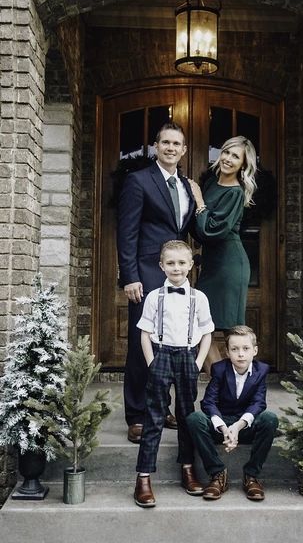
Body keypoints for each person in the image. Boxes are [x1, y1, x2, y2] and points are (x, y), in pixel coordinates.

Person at [117, 123, 195, 443]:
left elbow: (187, 228)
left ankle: (161, 408)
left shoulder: (186, 186)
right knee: (141, 343)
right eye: (165, 142)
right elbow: (127, 232)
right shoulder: (138, 181)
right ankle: (137, 414)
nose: (171, 148)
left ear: (184, 150)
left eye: (177, 143)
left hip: (176, 274)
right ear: (155, 146)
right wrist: (130, 276)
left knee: (169, 343)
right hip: (146, 273)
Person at [134, 240, 214, 508]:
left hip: (187, 357)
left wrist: (198, 362)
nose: (176, 268)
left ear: (190, 265)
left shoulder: (199, 298)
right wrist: (151, 362)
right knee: (155, 416)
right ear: (161, 266)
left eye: (182, 263)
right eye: (170, 263)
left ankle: (188, 469)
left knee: (186, 415)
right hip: (162, 356)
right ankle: (143, 478)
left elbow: (206, 332)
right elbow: (144, 333)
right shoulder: (154, 297)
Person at [188, 136, 257, 370]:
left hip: (230, 266)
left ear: (243, 165)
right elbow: (200, 229)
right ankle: (221, 385)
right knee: (199, 325)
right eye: (226, 152)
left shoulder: (235, 193)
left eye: (235, 156)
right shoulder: (212, 183)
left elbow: (211, 230)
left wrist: (198, 199)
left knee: (234, 332)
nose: (228, 158)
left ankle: (238, 390)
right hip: (212, 265)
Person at [187, 325, 278, 501]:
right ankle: (218, 473)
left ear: (255, 350)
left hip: (244, 426)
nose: (241, 354)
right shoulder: (220, 369)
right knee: (194, 418)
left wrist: (237, 427)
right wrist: (223, 428)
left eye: (246, 349)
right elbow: (209, 402)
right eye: (234, 349)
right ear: (227, 352)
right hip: (221, 425)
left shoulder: (261, 371)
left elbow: (259, 403)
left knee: (270, 419)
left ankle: (251, 475)